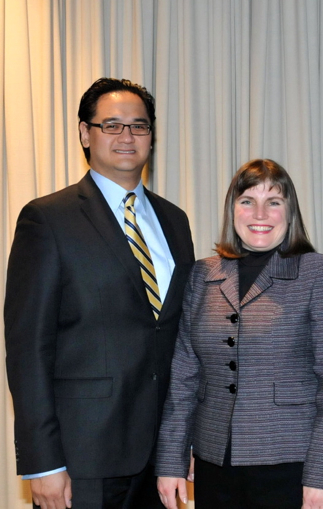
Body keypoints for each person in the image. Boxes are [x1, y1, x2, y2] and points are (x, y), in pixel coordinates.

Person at [4, 78, 195, 509]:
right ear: (85, 133)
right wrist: (42, 463)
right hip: (81, 458)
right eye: (111, 125)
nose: (127, 137)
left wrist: (184, 440)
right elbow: (27, 348)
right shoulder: (47, 219)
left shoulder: (175, 220)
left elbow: (179, 339)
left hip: (159, 460)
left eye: (139, 126)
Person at [155, 158, 323, 509]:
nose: (260, 213)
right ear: (232, 210)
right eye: (247, 201)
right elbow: (184, 375)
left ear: (289, 212)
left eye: (274, 202)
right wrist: (172, 459)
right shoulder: (203, 274)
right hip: (213, 464)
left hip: (289, 466)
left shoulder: (319, 272)